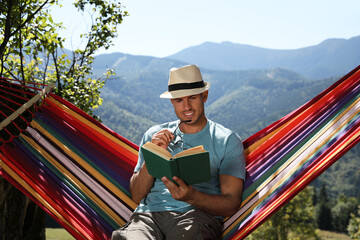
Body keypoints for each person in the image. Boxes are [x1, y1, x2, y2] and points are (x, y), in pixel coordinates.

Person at [112, 64, 246, 240]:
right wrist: (153, 156)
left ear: (204, 96)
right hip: (147, 217)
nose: (186, 107)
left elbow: (231, 203)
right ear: (171, 102)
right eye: (179, 100)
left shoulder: (226, 140)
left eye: (192, 98)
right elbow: (137, 195)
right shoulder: (153, 135)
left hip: (197, 216)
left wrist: (192, 197)